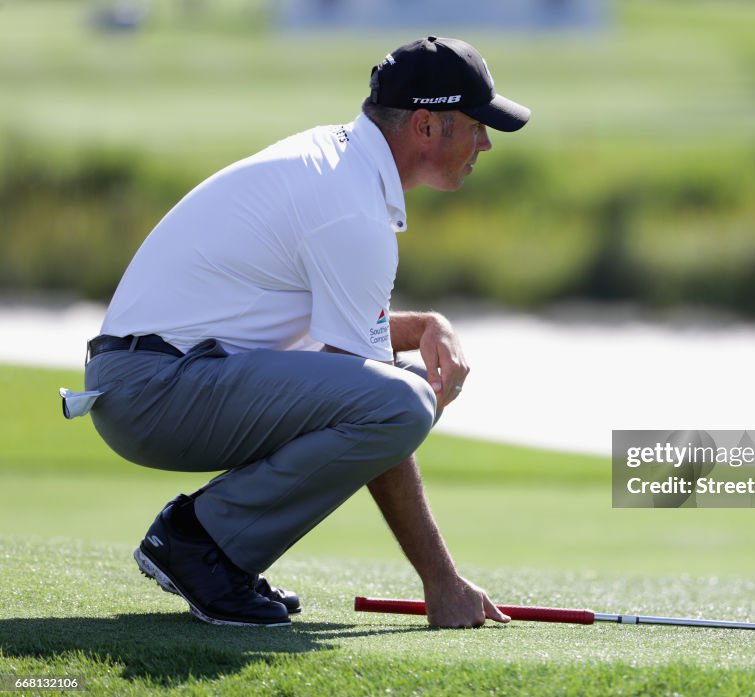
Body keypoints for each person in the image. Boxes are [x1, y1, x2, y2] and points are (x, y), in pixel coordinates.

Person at [65, 36, 530, 628]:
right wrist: (441, 580)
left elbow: (336, 348)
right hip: (154, 389)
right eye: (474, 125)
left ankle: (215, 549)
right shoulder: (351, 209)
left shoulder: (341, 166)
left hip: (154, 378)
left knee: (402, 387)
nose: (484, 143)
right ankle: (200, 543)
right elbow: (373, 398)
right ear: (425, 125)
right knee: (404, 400)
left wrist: (425, 326)